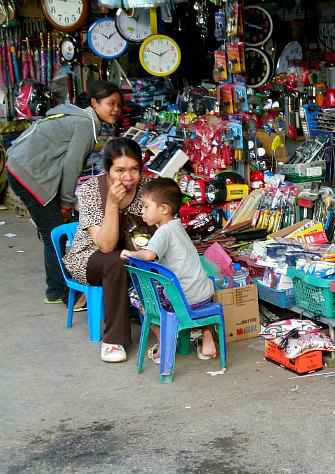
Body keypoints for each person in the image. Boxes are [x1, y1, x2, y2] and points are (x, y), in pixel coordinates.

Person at [6, 80, 123, 305]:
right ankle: (59, 292)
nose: (116, 109)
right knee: (56, 233)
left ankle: (59, 287)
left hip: (20, 167)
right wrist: (68, 202)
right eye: (111, 103)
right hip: (28, 174)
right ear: (94, 103)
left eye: (119, 104)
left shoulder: (78, 117)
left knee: (53, 229)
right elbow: (72, 166)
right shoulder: (85, 125)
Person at [64, 137, 150, 363]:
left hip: (132, 254)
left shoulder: (147, 189)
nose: (128, 177)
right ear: (107, 169)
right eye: (119, 170)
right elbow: (105, 245)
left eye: (134, 169)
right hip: (89, 257)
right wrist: (112, 204)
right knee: (115, 260)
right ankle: (114, 340)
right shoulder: (91, 190)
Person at [120, 178, 218, 361]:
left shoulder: (163, 232)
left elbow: (149, 256)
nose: (142, 211)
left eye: (146, 206)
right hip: (204, 294)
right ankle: (207, 340)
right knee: (178, 286)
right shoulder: (178, 226)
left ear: (163, 209)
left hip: (184, 298)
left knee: (138, 297)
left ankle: (164, 340)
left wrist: (131, 253)